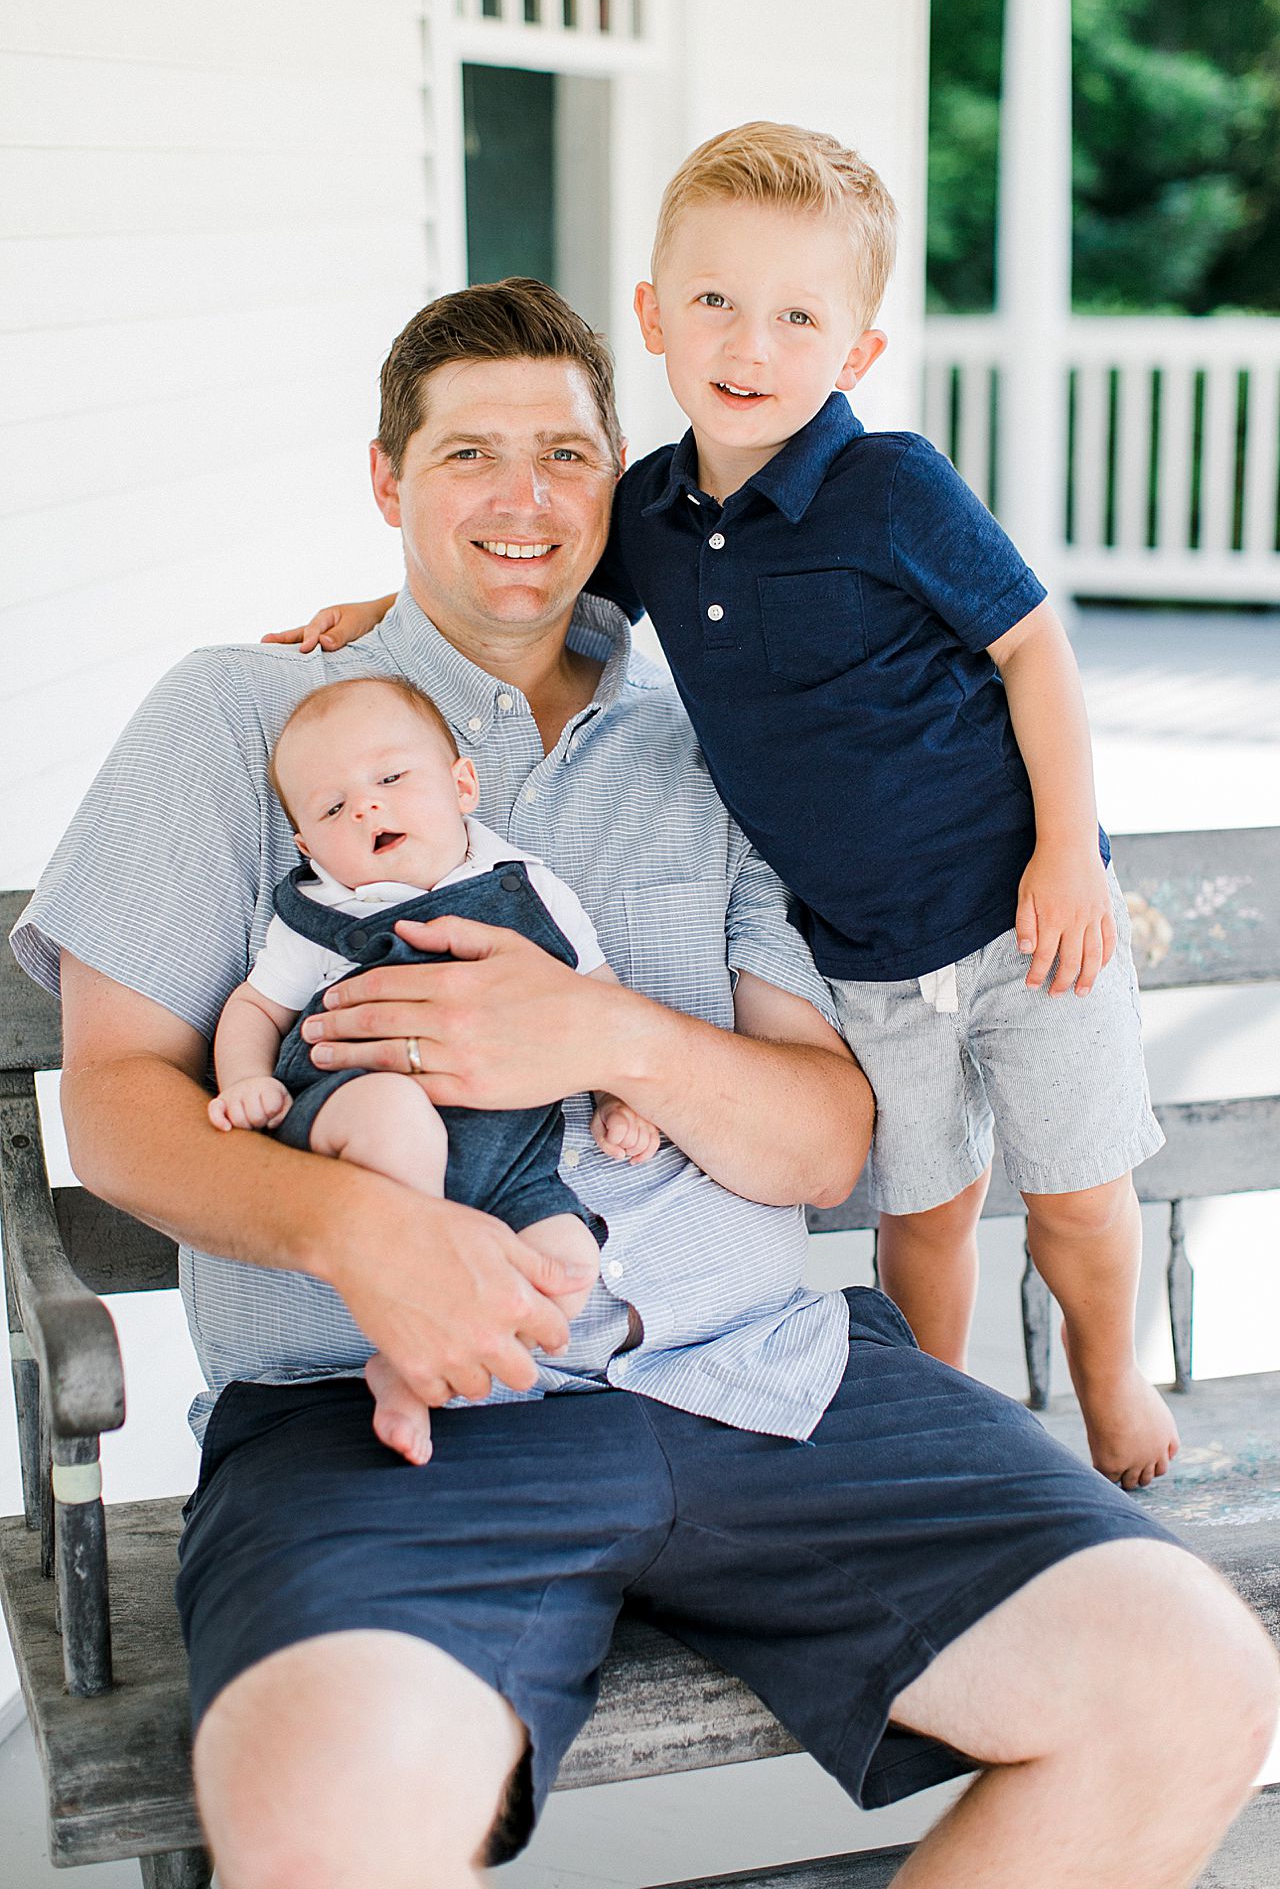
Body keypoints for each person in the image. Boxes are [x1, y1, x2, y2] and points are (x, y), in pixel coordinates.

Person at [11, 279, 1275, 1889]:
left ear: (620, 489)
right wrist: (366, 1237)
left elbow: (828, 1144)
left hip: (772, 1383)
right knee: (326, 1816)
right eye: (470, 455)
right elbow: (117, 1101)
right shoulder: (243, 718)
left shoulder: (721, 742)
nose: (524, 499)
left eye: (565, 455)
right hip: (388, 1424)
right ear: (388, 484)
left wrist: (607, 1034)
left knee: (1193, 1686)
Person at [301, 124, 1173, 1493]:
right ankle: (950, 1428)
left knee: (1072, 1198)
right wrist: (389, 610)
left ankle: (1110, 1384)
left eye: (796, 316)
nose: (747, 343)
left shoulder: (896, 488)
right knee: (925, 1220)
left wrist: (1070, 852)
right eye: (712, 300)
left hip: (1022, 918)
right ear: (653, 314)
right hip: (865, 957)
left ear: (857, 353)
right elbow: (551, 596)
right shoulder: (648, 513)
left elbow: (1033, 650)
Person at [210, 671, 659, 1464]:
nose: (366, 807)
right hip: (352, 1098)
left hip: (510, 1159)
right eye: (331, 807)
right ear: (310, 849)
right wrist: (246, 1079)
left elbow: (598, 1001)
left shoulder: (531, 889)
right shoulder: (326, 911)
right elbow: (255, 1008)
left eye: (390, 778)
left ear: (462, 786)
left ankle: (410, 1372)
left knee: (568, 1263)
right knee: (397, 1118)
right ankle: (415, 1280)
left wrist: (622, 1093)